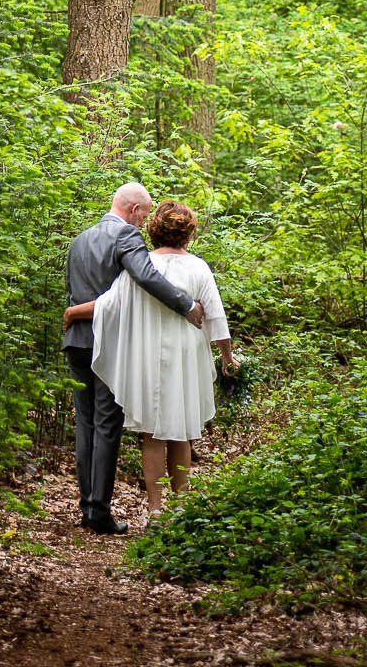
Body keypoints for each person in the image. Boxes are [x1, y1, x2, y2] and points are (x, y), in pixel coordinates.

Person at [64, 199, 235, 521]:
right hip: (187, 354)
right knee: (182, 430)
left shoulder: (142, 265)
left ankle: (155, 508)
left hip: (148, 354)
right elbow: (216, 316)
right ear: (188, 233)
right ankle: (181, 506)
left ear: (154, 230)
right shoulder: (199, 267)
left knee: (153, 433)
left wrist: (75, 311)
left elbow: (108, 305)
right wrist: (227, 356)